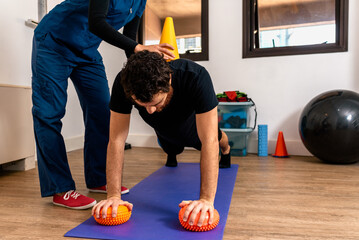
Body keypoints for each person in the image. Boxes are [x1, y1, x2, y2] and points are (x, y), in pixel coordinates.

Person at [31, 0, 175, 210]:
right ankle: (60, 188)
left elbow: (130, 41)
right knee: (48, 114)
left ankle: (98, 177)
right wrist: (138, 47)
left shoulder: (141, 2)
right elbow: (97, 23)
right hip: (54, 41)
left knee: (102, 111)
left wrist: (144, 70)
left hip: (87, 51)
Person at [92, 51, 231, 227]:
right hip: (162, 128)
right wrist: (113, 196)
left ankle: (227, 150)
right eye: (142, 106)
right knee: (171, 147)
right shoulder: (123, 83)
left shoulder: (195, 76)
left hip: (192, 124)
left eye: (156, 103)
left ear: (169, 81)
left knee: (219, 140)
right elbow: (116, 140)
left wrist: (206, 200)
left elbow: (209, 140)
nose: (149, 111)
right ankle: (171, 152)